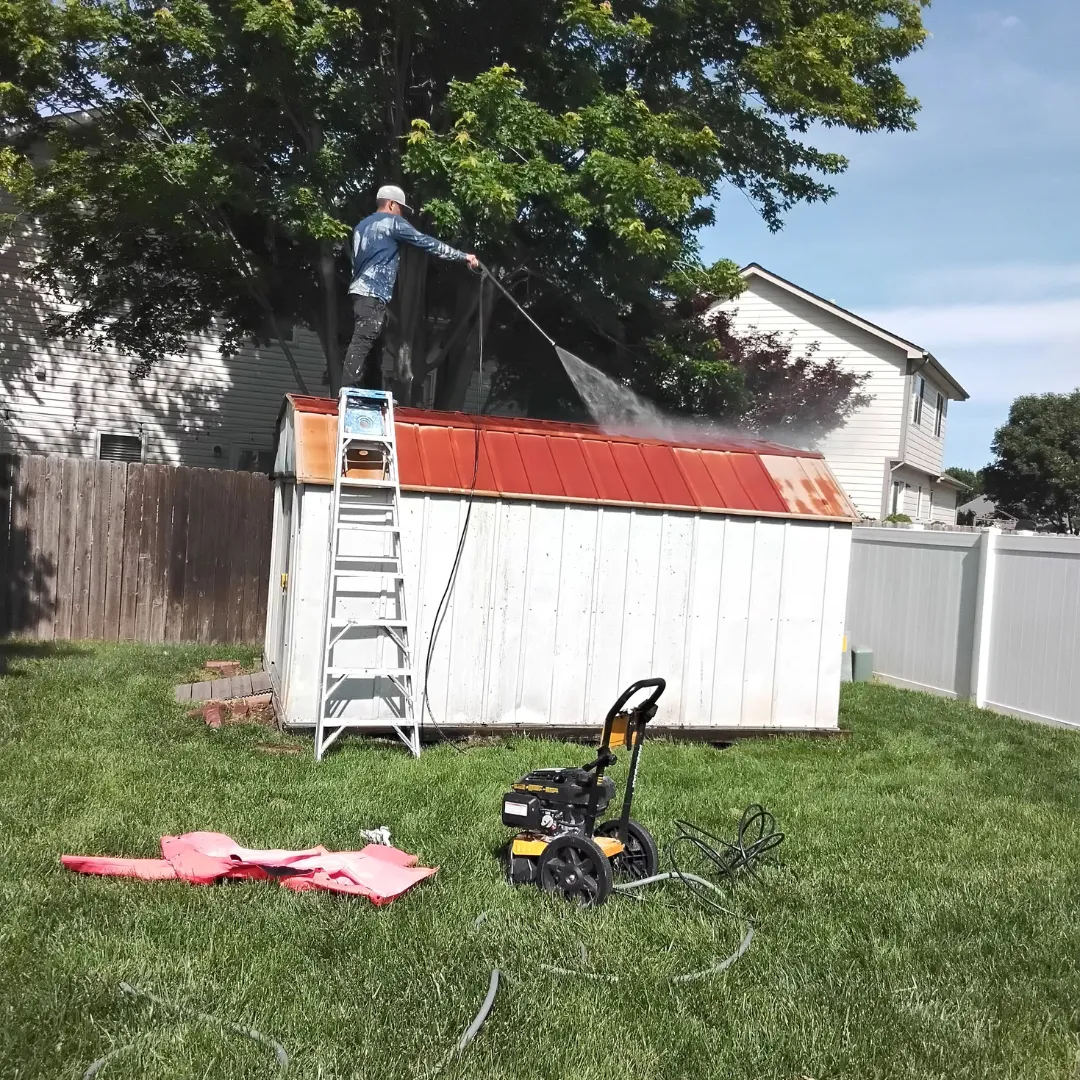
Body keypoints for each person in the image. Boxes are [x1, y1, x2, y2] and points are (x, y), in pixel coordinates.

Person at [343, 184, 478, 387]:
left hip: (359, 293)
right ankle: (348, 390)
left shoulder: (361, 227)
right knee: (362, 341)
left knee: (372, 344)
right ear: (391, 204)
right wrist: (463, 256)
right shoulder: (392, 223)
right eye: (401, 209)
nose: (403, 215)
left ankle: (369, 390)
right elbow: (425, 242)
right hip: (372, 293)